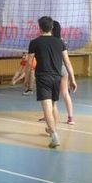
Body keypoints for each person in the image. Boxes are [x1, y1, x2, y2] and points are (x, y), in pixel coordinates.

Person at [27, 16, 77, 148]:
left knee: (47, 107)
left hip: (43, 77)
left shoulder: (35, 42)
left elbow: (29, 63)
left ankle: (54, 136)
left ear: (40, 27)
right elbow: (67, 62)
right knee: (54, 105)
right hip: (57, 78)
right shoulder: (60, 42)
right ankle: (52, 131)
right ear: (52, 27)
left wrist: (27, 79)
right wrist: (72, 79)